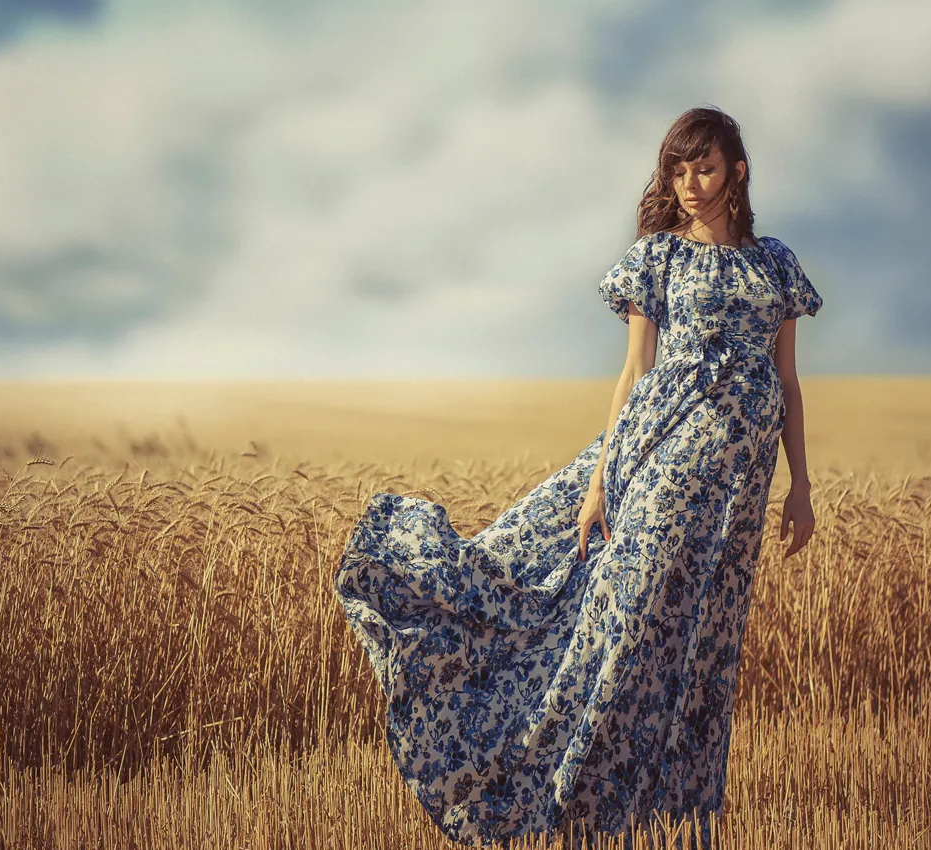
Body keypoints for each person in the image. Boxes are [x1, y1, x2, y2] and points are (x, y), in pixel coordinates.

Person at [333, 105, 822, 847]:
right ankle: (567, 796)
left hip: (739, 491)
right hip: (661, 463)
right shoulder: (659, 257)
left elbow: (787, 381)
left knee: (701, 644)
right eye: (679, 169)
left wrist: (803, 488)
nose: (690, 184)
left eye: (706, 167)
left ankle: (670, 815)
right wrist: (600, 482)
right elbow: (634, 371)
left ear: (739, 171)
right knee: (626, 621)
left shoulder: (777, 264)